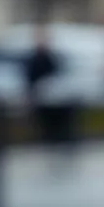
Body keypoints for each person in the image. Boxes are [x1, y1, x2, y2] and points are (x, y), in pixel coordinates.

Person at [23, 26, 76, 170]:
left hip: (54, 98)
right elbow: (29, 78)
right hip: (41, 99)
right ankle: (51, 147)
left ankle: (60, 148)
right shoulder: (33, 58)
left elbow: (59, 74)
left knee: (60, 125)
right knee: (47, 126)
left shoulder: (52, 57)